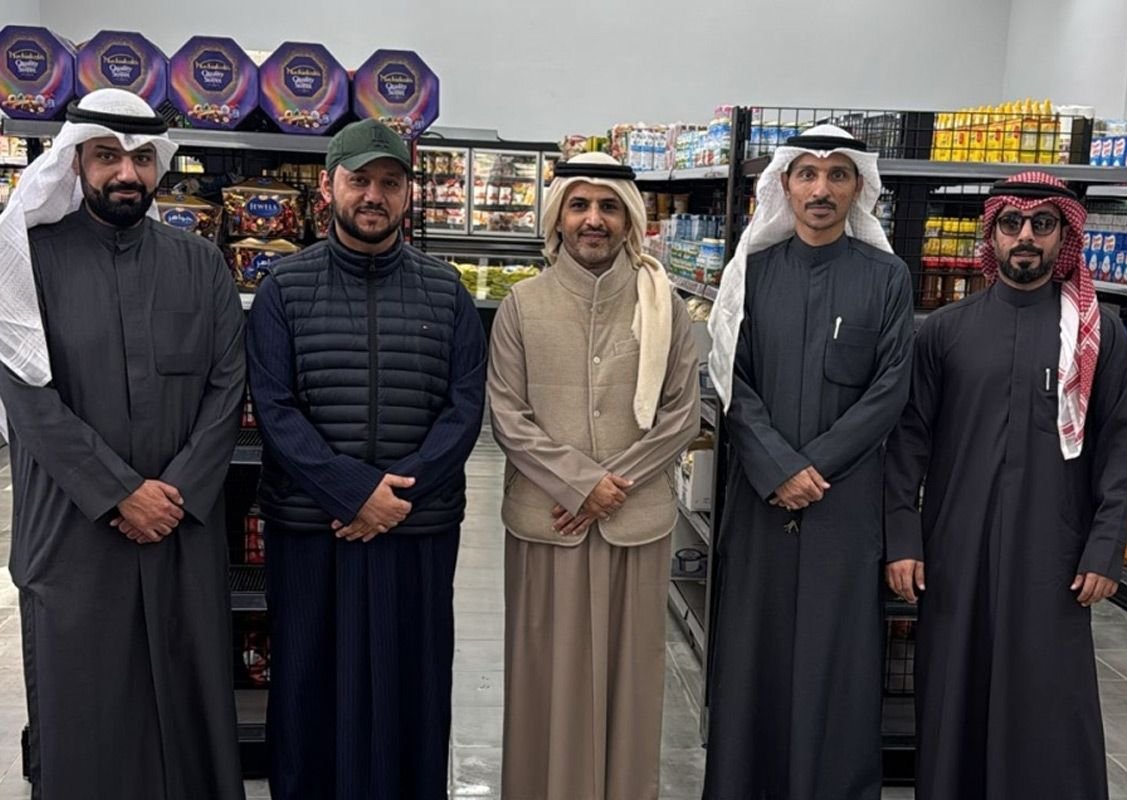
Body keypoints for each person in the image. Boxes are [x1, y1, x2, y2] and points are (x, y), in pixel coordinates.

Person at [0, 88, 245, 799]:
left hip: (180, 527)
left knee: (188, 705)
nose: (125, 174)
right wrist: (119, 494)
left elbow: (228, 386)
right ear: (75, 161)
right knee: (86, 712)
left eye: (140, 158)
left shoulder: (200, 264)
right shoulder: (29, 263)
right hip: (73, 532)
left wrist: (175, 495)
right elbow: (28, 399)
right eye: (107, 156)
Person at [246, 119, 486, 800]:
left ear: (409, 193)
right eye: (360, 180)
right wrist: (352, 491)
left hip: (416, 530)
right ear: (329, 187)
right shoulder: (283, 290)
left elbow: (465, 408)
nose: (374, 195)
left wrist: (395, 497)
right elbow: (274, 407)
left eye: (390, 181)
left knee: (413, 689)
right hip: (311, 530)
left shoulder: (447, 293)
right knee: (308, 689)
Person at [884, 171, 1127, 799]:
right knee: (954, 689)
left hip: (1055, 553)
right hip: (957, 548)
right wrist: (903, 540)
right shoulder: (943, 331)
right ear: (992, 235)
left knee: (1048, 696)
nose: (1026, 236)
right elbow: (908, 445)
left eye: (1042, 224)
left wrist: (1105, 549)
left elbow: (1118, 447)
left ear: (1063, 238)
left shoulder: (1096, 334)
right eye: (1011, 223)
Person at [703, 125, 914, 799]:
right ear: (785, 186)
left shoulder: (887, 278)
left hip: (842, 507)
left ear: (857, 189)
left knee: (837, 664)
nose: (821, 189)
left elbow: (890, 389)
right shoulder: (753, 273)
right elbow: (732, 381)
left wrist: (810, 469)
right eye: (808, 174)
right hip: (761, 503)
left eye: (837, 175)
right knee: (753, 658)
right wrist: (776, 469)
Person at [488, 152, 701, 800]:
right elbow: (507, 415)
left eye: (608, 206)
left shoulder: (666, 306)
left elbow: (681, 415)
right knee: (545, 680)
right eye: (579, 205)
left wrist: (608, 489)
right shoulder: (521, 305)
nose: (593, 219)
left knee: (630, 684)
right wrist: (581, 485)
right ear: (559, 216)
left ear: (629, 219)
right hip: (546, 525)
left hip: (635, 525)